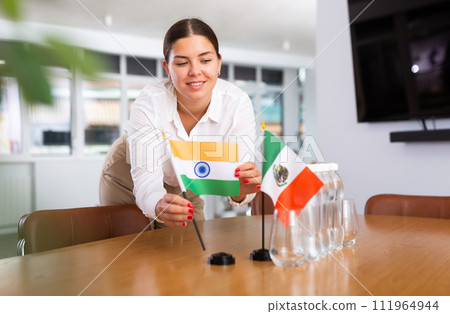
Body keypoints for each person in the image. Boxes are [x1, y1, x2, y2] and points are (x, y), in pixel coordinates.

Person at [125, 18, 261, 228]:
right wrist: (156, 202)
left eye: (205, 60)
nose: (195, 71)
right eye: (181, 63)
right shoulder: (150, 101)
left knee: (191, 247)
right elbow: (145, 181)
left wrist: (239, 190)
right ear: (167, 68)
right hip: (128, 175)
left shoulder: (237, 104)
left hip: (186, 182)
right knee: (132, 244)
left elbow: (239, 185)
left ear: (218, 63)